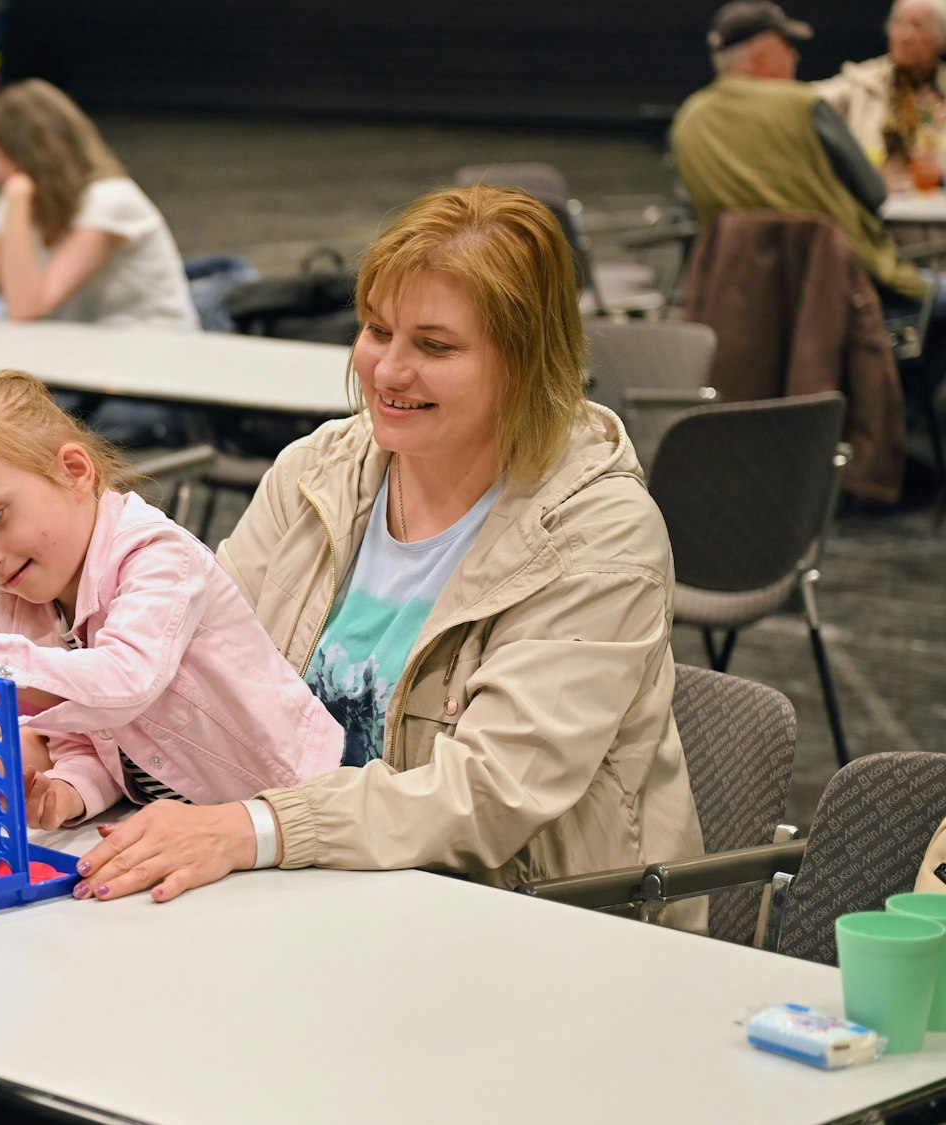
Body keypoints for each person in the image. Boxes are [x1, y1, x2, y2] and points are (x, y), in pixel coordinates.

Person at [71, 185, 705, 918]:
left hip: (528, 922)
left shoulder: (599, 535)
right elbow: (187, 666)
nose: (388, 371)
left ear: (527, 360)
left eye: (434, 346)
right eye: (377, 331)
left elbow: (487, 794)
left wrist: (256, 827)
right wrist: (71, 755)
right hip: (316, 896)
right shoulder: (316, 472)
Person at [0, 370, 342, 831]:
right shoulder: (10, 605)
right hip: (183, 828)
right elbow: (86, 740)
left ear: (73, 471)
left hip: (297, 807)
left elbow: (123, 681)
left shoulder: (155, 554)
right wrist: (65, 793)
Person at [671, 1, 927, 306]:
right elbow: (874, 194)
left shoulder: (688, 118)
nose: (796, 55)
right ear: (763, 56)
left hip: (742, 299)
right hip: (846, 288)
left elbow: (691, 206)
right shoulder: (803, 105)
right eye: (788, 45)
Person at [0, 79, 196, 328]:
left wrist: (17, 197)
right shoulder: (19, 201)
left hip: (149, 358)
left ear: (32, 157)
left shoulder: (109, 200)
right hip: (80, 358)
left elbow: (28, 308)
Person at [817, 0, 946, 175]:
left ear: (941, 38)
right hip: (877, 197)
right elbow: (808, 101)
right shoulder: (863, 83)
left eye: (918, 25)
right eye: (898, 23)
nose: (905, 36)